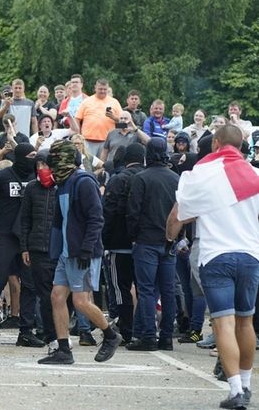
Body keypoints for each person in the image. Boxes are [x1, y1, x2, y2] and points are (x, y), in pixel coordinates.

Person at [167, 124, 259, 409]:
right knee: (246, 321)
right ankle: (246, 383)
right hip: (250, 255)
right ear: (242, 144)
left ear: (216, 143)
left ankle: (234, 391)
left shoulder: (200, 175)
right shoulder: (256, 175)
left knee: (223, 322)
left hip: (216, 255)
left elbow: (177, 217)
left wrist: (171, 235)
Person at [37, 140, 121, 365]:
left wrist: (86, 249)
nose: (48, 168)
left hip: (81, 252)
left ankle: (111, 336)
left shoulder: (84, 183)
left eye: (51, 163)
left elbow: (96, 218)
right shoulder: (63, 184)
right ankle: (64, 349)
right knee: (57, 297)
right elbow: (61, 221)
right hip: (67, 253)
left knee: (81, 301)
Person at [0, 143, 44, 347]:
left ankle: (25, 331)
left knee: (29, 285)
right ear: (20, 157)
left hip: (27, 238)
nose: (33, 160)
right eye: (30, 156)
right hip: (5, 235)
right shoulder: (3, 176)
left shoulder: (35, 177)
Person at [125, 138, 180, 351]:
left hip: (146, 240)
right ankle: (166, 337)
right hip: (169, 240)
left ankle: (148, 335)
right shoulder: (175, 179)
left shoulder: (141, 178)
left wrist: (133, 236)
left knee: (146, 290)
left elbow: (133, 212)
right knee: (167, 290)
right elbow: (181, 211)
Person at [102, 143, 146, 343]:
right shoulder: (147, 178)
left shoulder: (118, 180)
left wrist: (104, 240)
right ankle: (144, 330)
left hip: (119, 243)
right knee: (145, 289)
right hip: (145, 244)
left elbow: (108, 212)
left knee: (121, 289)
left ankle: (127, 331)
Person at [18, 149, 59, 348]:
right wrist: (24, 247)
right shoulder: (32, 188)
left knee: (57, 293)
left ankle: (59, 331)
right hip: (37, 247)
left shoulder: (61, 186)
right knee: (43, 294)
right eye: (39, 165)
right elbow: (24, 220)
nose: (41, 169)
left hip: (57, 248)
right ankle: (49, 332)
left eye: (45, 165)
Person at [73, 78, 122, 156]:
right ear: (95, 88)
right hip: (87, 141)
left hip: (107, 142)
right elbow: (77, 118)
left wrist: (114, 117)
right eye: (100, 89)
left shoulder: (114, 102)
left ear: (108, 89)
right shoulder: (86, 101)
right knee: (88, 165)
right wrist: (78, 135)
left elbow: (123, 122)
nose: (102, 91)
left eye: (104, 89)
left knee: (103, 166)